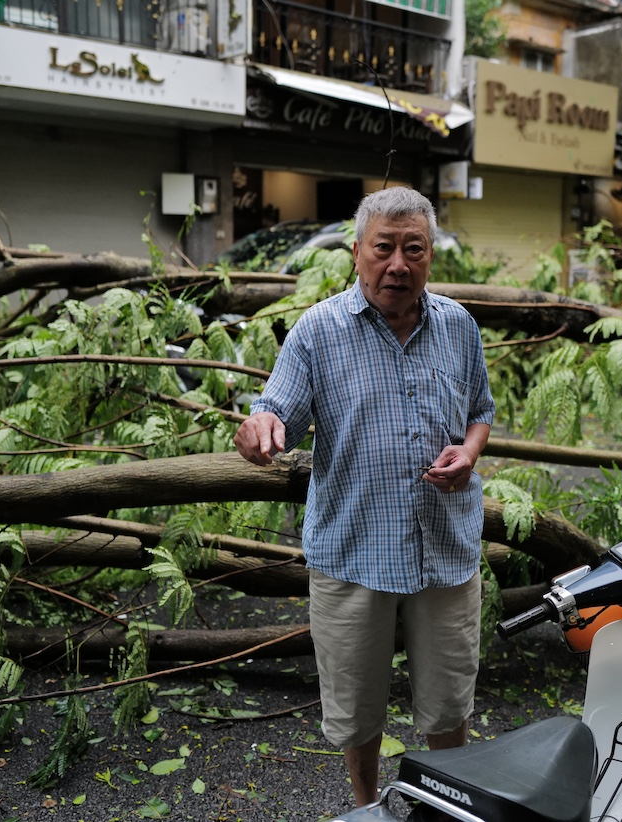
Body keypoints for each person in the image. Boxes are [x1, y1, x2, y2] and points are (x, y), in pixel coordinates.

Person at [233, 186, 495, 807]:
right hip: (354, 548)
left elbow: (480, 411)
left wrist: (470, 452)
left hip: (445, 547)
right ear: (357, 253)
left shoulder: (457, 325)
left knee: (448, 697)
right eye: (383, 248)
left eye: (413, 250)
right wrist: (258, 430)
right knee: (355, 705)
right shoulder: (319, 331)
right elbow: (275, 413)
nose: (397, 264)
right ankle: (364, 806)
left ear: (430, 257)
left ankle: (447, 807)